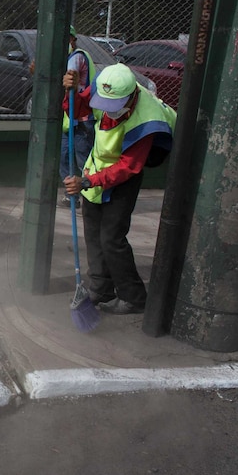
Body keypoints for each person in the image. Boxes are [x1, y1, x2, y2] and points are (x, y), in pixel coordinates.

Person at [63, 63, 176, 315]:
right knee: (92, 231)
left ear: (131, 96)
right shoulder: (105, 87)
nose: (107, 111)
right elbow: (77, 108)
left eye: (113, 106)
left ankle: (134, 297)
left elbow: (130, 167)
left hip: (122, 177)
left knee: (111, 239)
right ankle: (101, 288)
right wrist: (70, 91)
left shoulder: (146, 120)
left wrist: (88, 181)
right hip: (96, 170)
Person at [60, 25, 96, 206]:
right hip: (69, 121)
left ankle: (91, 197)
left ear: (73, 40)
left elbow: (72, 74)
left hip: (82, 119)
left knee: (84, 160)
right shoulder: (67, 58)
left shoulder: (77, 56)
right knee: (64, 157)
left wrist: (69, 79)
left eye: (67, 38)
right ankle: (71, 196)